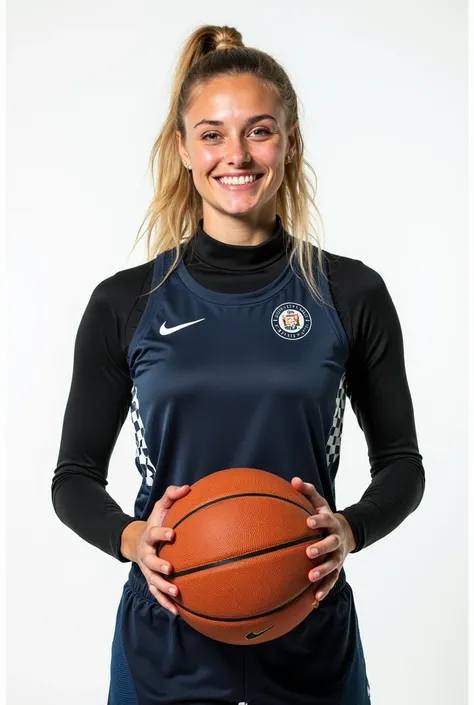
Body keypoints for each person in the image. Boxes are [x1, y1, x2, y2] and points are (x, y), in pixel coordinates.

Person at [51, 24, 425, 705]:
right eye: (213, 133)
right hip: (165, 639)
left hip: (310, 635)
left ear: (289, 143)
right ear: (184, 149)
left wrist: (351, 527)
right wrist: (132, 537)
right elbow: (72, 478)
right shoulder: (126, 302)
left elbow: (403, 462)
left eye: (259, 130)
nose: (237, 154)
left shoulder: (349, 293)